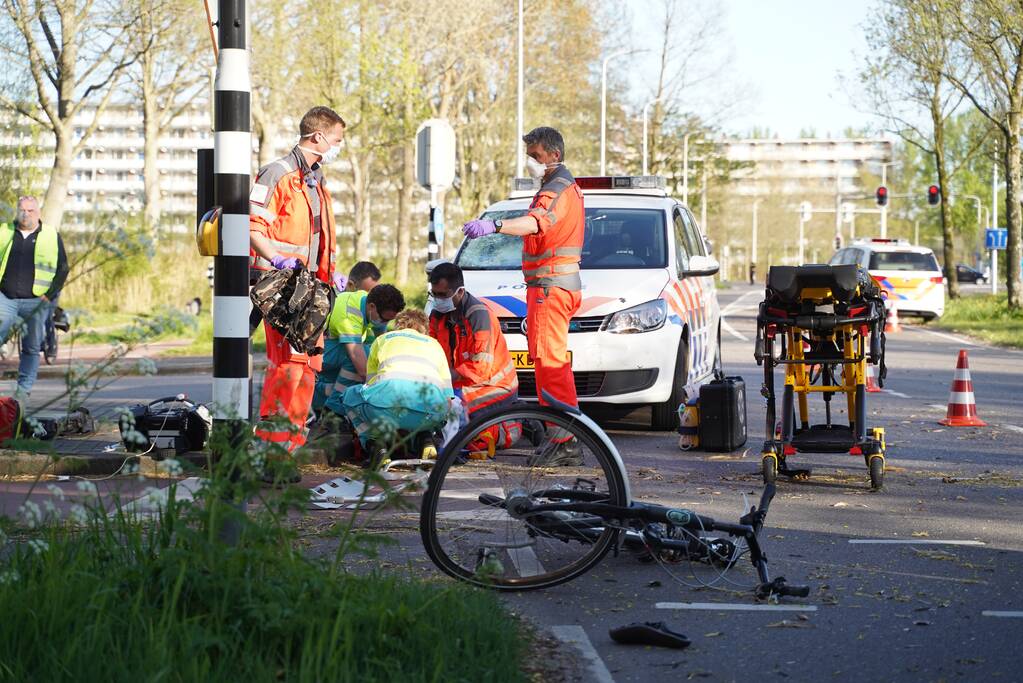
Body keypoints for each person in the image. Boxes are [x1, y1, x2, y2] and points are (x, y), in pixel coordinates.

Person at [461, 126, 584, 465]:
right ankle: (564, 438)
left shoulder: (555, 189)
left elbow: (534, 223)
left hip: (550, 288)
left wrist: (496, 226)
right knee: (551, 364)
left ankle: (564, 442)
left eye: (536, 156)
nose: (531, 162)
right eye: (529, 156)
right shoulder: (563, 186)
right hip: (553, 286)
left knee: (550, 365)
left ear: (554, 155)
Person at [249, 106, 347, 452]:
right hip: (282, 287)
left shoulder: (315, 179)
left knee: (307, 366)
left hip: (312, 288)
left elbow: (317, 236)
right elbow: (252, 226)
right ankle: (271, 449)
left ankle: (288, 447)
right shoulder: (277, 174)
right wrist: (276, 258)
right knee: (287, 366)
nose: (339, 146)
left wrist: (330, 271)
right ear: (318, 136)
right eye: (337, 139)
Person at [427, 262, 521, 455]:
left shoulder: (479, 316)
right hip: (459, 384)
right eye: (434, 294)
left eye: (442, 295)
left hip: (495, 386)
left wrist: (446, 378)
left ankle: (520, 425)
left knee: (455, 412)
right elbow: (431, 351)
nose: (437, 300)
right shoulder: (437, 315)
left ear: (460, 292)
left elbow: (480, 369)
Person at [341, 309, 453, 458]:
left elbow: (370, 385)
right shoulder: (435, 344)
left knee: (349, 396)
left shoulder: (382, 339)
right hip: (429, 414)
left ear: (398, 325)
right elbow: (448, 398)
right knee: (437, 406)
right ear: (424, 328)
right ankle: (427, 438)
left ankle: (375, 444)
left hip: (386, 408)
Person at [0, 196, 69, 398]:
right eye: (22, 210)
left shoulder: (50, 235)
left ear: (38, 213)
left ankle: (23, 392)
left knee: (31, 347)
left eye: (30, 210)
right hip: (6, 297)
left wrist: (49, 294)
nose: (26, 214)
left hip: (36, 300)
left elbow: (63, 268)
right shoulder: (4, 231)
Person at [318, 283, 405, 416]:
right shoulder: (349, 315)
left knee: (370, 354)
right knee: (364, 357)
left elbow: (382, 342)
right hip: (317, 353)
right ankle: (334, 410)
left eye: (389, 321)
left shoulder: (367, 302)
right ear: (372, 307)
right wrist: (383, 394)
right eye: (384, 319)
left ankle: (326, 395)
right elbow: (362, 368)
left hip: (330, 350)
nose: (385, 323)